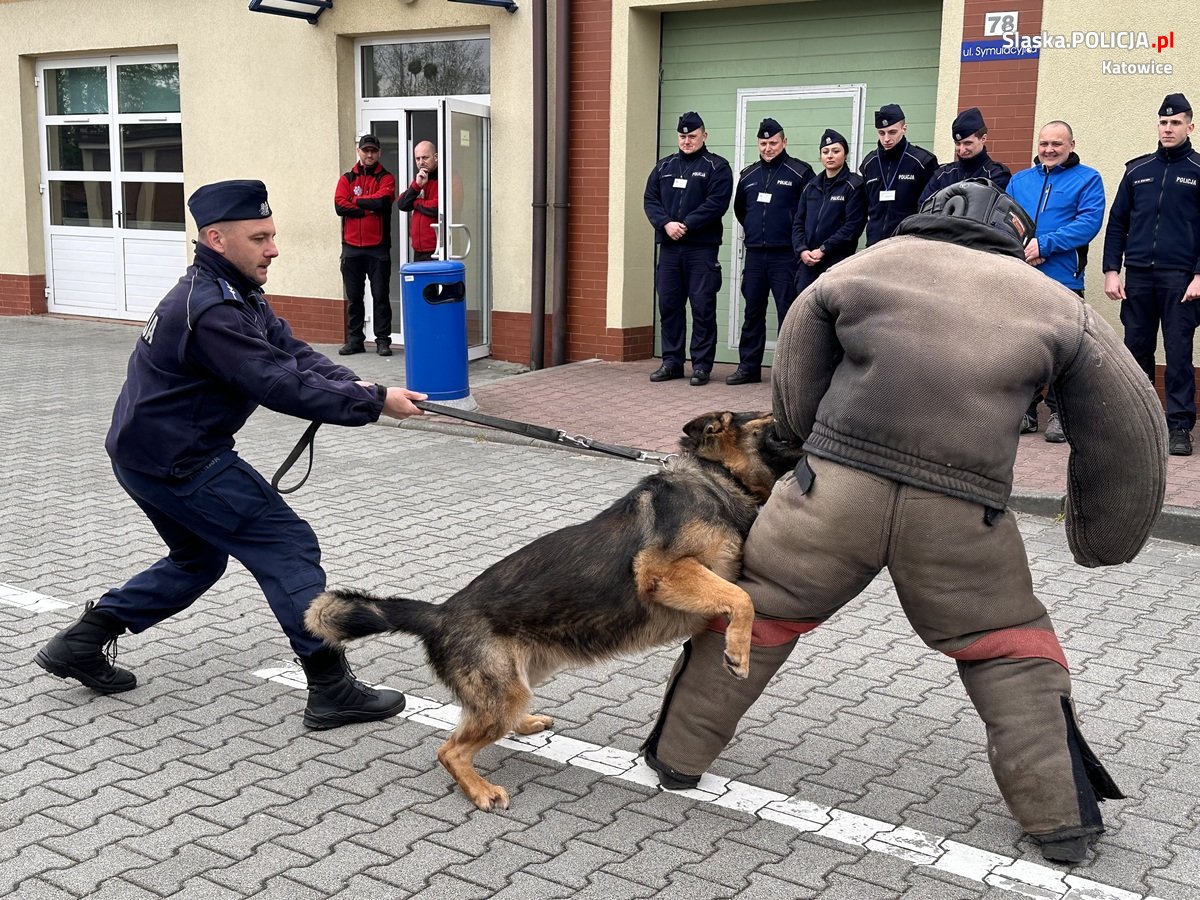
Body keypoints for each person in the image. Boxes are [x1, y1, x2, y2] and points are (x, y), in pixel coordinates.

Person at [642, 179, 1167, 864]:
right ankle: (1061, 824)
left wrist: (806, 444)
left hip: (830, 496)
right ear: (1012, 233)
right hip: (960, 513)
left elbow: (796, 378)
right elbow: (1132, 426)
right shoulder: (1058, 305)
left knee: (760, 612)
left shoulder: (865, 266)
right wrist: (1103, 536)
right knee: (1008, 648)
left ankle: (677, 757)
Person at [33, 180, 428, 731]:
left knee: (198, 559)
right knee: (286, 544)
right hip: (183, 463)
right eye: (260, 237)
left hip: (144, 457)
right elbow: (274, 382)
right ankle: (331, 687)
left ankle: (82, 641)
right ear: (217, 239)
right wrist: (373, 403)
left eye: (272, 235)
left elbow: (289, 353)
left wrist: (358, 385)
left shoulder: (229, 290)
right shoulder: (212, 309)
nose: (273, 248)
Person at [1103, 92, 1200, 457]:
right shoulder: (1137, 171)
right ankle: (1140, 423)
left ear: (1190, 126)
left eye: (1176, 122)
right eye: (1163, 122)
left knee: (1178, 354)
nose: (1168, 128)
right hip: (1139, 277)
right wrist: (1112, 271)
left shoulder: (1198, 170)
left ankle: (1178, 427)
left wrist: (1199, 275)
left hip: (1181, 279)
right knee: (1136, 351)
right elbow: (1117, 225)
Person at [1007, 121, 1106, 442]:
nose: (1049, 149)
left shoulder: (1088, 179)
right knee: (1024, 347)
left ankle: (1060, 414)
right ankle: (1025, 410)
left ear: (1071, 145)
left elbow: (1088, 223)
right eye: (1044, 143)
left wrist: (1044, 244)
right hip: (1024, 275)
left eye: (1057, 144)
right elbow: (1004, 220)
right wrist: (1022, 249)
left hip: (1064, 278)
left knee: (1065, 349)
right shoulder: (1019, 181)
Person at [644, 111, 734, 386]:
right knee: (670, 306)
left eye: (692, 136)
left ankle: (701, 365)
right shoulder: (664, 167)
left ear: (704, 136)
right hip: (670, 249)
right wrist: (666, 224)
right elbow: (651, 200)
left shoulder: (716, 167)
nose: (687, 141)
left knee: (702, 307)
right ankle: (671, 362)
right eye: (683, 136)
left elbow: (717, 202)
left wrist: (686, 224)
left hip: (700, 249)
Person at [727, 117, 814, 385]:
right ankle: (748, 368)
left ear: (784, 142)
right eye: (763, 143)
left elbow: (808, 212)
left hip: (785, 255)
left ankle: (789, 373)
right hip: (755, 255)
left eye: (773, 142)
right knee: (753, 312)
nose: (768, 148)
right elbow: (741, 210)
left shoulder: (800, 172)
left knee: (788, 313)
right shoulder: (748, 175)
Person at [334, 133, 396, 357]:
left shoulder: (386, 178)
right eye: (365, 150)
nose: (369, 154)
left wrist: (356, 202)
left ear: (378, 153)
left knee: (380, 296)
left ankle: (382, 340)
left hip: (378, 248)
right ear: (359, 152)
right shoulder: (347, 178)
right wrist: (365, 208)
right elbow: (339, 205)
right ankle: (355, 340)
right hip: (351, 247)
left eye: (373, 151)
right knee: (354, 298)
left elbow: (381, 201)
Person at [791, 128, 867, 296]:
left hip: (837, 262)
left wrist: (823, 249)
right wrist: (802, 250)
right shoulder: (811, 186)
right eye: (825, 152)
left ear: (845, 154)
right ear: (820, 156)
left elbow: (852, 227)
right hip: (808, 263)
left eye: (835, 151)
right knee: (804, 312)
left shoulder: (854, 186)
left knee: (831, 314)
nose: (830, 155)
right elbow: (798, 222)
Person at [859, 103, 938, 246]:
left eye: (892, 132)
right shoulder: (869, 163)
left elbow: (931, 209)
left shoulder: (922, 161)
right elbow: (865, 205)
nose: (886, 139)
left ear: (904, 129)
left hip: (908, 244)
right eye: (881, 133)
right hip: (875, 244)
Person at [919, 107, 1012, 203]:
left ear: (983, 139)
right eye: (957, 143)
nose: (962, 150)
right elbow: (924, 207)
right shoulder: (943, 174)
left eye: (968, 143)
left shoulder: (996, 175)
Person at [396, 140, 441, 262]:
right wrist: (416, 185)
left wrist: (415, 202)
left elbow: (436, 208)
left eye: (425, 158)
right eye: (418, 159)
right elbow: (402, 204)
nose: (421, 162)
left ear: (435, 157)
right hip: (419, 250)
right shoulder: (421, 179)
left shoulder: (445, 178)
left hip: (439, 249)